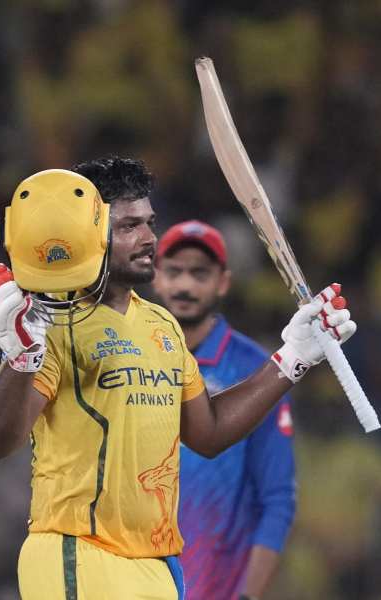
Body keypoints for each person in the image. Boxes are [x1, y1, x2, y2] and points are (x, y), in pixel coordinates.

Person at [0, 156, 357, 600]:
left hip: (158, 566)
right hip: (79, 553)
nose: (149, 239)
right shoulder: (54, 321)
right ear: (89, 233)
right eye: (128, 226)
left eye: (149, 223)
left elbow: (208, 433)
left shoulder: (161, 324)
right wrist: (21, 357)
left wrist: (293, 358)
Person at [152, 220, 297, 600]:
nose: (185, 285)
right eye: (174, 271)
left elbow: (277, 498)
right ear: (156, 277)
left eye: (200, 273)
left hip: (218, 586)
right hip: (135, 580)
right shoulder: (132, 357)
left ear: (223, 283)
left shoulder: (258, 370)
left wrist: (247, 596)